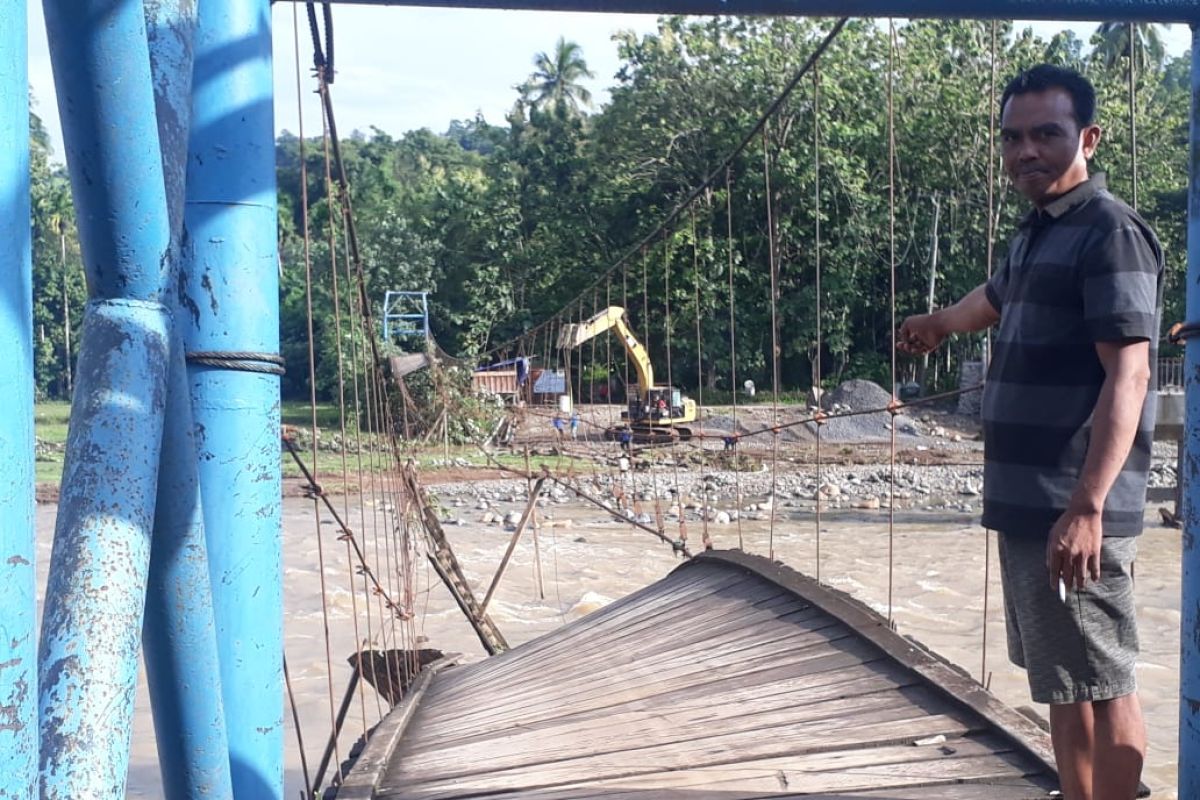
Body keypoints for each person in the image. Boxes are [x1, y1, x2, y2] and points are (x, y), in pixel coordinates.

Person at [899, 64, 1162, 800]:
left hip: (1071, 505)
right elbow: (992, 299)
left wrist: (1087, 508)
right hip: (1030, 504)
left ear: (1088, 136)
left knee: (1106, 680)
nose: (1026, 152)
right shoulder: (1041, 230)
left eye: (1046, 133)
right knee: (1063, 679)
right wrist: (936, 325)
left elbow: (1131, 377)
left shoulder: (1108, 232)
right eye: (1013, 138)